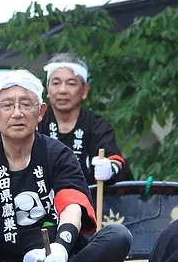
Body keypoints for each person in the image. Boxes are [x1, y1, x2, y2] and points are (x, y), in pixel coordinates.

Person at [0, 70, 131, 262]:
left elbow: (72, 206)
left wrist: (61, 250)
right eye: (7, 106)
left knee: (118, 237)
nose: (17, 113)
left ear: (40, 112)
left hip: (58, 258)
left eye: (26, 104)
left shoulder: (59, 154)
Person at [37, 54, 131, 186]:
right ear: (47, 89)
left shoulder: (97, 126)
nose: (62, 90)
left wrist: (109, 168)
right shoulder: (35, 123)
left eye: (71, 84)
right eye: (56, 83)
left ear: (85, 90)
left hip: (90, 202)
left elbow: (115, 160)